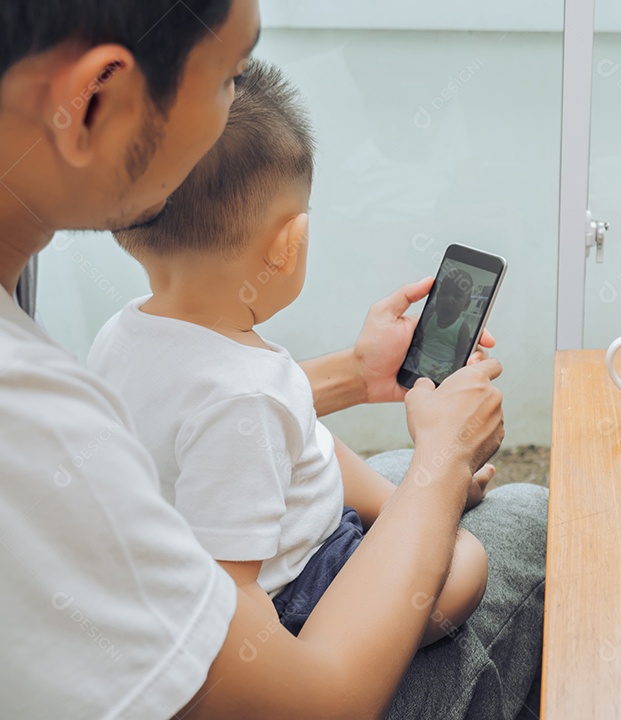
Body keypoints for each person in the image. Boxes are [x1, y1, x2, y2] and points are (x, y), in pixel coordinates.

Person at [0, 1, 547, 718]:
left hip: (230, 543)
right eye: (230, 74)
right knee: (523, 516)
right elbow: (304, 695)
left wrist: (354, 377)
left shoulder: (106, 338)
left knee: (387, 481)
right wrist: (441, 463)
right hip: (287, 621)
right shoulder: (27, 419)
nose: (236, 101)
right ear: (99, 97)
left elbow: (214, 416)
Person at [88, 59, 493, 643]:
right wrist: (442, 477)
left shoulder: (120, 332)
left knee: (352, 457)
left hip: (244, 552)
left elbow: (300, 436)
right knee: (468, 566)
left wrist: (419, 491)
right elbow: (231, 602)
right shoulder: (248, 392)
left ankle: (411, 504)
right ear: (289, 244)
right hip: (298, 593)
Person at [409, 266, 477, 382]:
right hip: (420, 359)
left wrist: (456, 373)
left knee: (444, 383)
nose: (448, 300)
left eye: (457, 296)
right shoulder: (430, 316)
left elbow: (461, 354)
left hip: (442, 368)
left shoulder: (462, 327)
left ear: (466, 305)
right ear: (438, 296)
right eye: (444, 293)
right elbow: (419, 337)